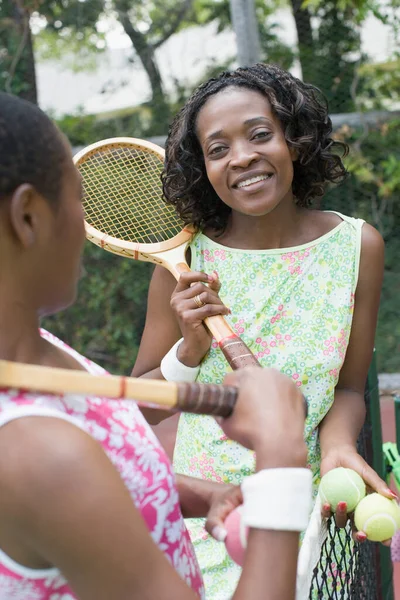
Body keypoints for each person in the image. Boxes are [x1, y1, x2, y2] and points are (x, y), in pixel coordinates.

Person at [0, 91, 314, 600]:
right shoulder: (39, 455)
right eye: (77, 196)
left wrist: (199, 493)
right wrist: (280, 457)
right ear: (29, 217)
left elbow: (111, 459)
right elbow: (71, 477)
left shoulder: (32, 348)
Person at [132, 63, 396, 598]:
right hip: (209, 522)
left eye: (259, 135)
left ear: (294, 141)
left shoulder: (357, 248)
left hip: (305, 516)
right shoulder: (183, 264)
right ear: (203, 168)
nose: (243, 157)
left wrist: (340, 445)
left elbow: (347, 387)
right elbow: (139, 407)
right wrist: (190, 349)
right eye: (218, 148)